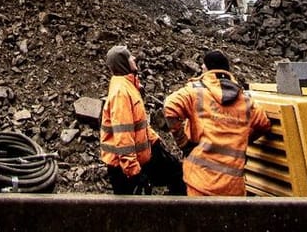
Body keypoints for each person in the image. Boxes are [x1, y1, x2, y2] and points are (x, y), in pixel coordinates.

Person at [162, 49, 271, 197]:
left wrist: (183, 143)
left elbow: (170, 107)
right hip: (233, 187)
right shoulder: (245, 101)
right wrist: (244, 140)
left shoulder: (195, 93)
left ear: (206, 69)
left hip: (200, 182)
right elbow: (264, 124)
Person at [98, 45, 185, 195]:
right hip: (124, 168)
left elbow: (139, 122)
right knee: (130, 212)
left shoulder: (128, 86)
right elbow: (123, 135)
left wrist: (154, 140)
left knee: (177, 173)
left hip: (139, 159)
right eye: (130, 57)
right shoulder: (121, 93)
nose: (134, 58)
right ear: (123, 63)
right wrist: (134, 172)